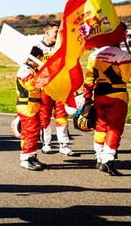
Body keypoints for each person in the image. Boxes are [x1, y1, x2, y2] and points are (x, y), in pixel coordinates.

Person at [83, 30, 131, 176]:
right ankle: (108, 161)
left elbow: (89, 79)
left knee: (101, 126)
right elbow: (127, 78)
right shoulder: (123, 55)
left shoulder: (94, 54)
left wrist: (87, 98)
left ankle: (99, 157)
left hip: (99, 95)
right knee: (115, 128)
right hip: (117, 95)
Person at [38, 20, 76, 156]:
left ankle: (64, 144)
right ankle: (46, 143)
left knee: (62, 115)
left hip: (60, 88)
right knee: (44, 116)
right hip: (44, 89)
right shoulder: (37, 48)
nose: (58, 35)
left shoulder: (61, 47)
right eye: (56, 32)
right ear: (47, 32)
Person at [16, 46, 47, 170]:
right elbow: (32, 86)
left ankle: (32, 156)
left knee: (33, 132)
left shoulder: (31, 69)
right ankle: (25, 158)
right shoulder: (25, 70)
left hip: (33, 105)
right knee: (30, 132)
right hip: (27, 106)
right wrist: (42, 79)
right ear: (37, 57)